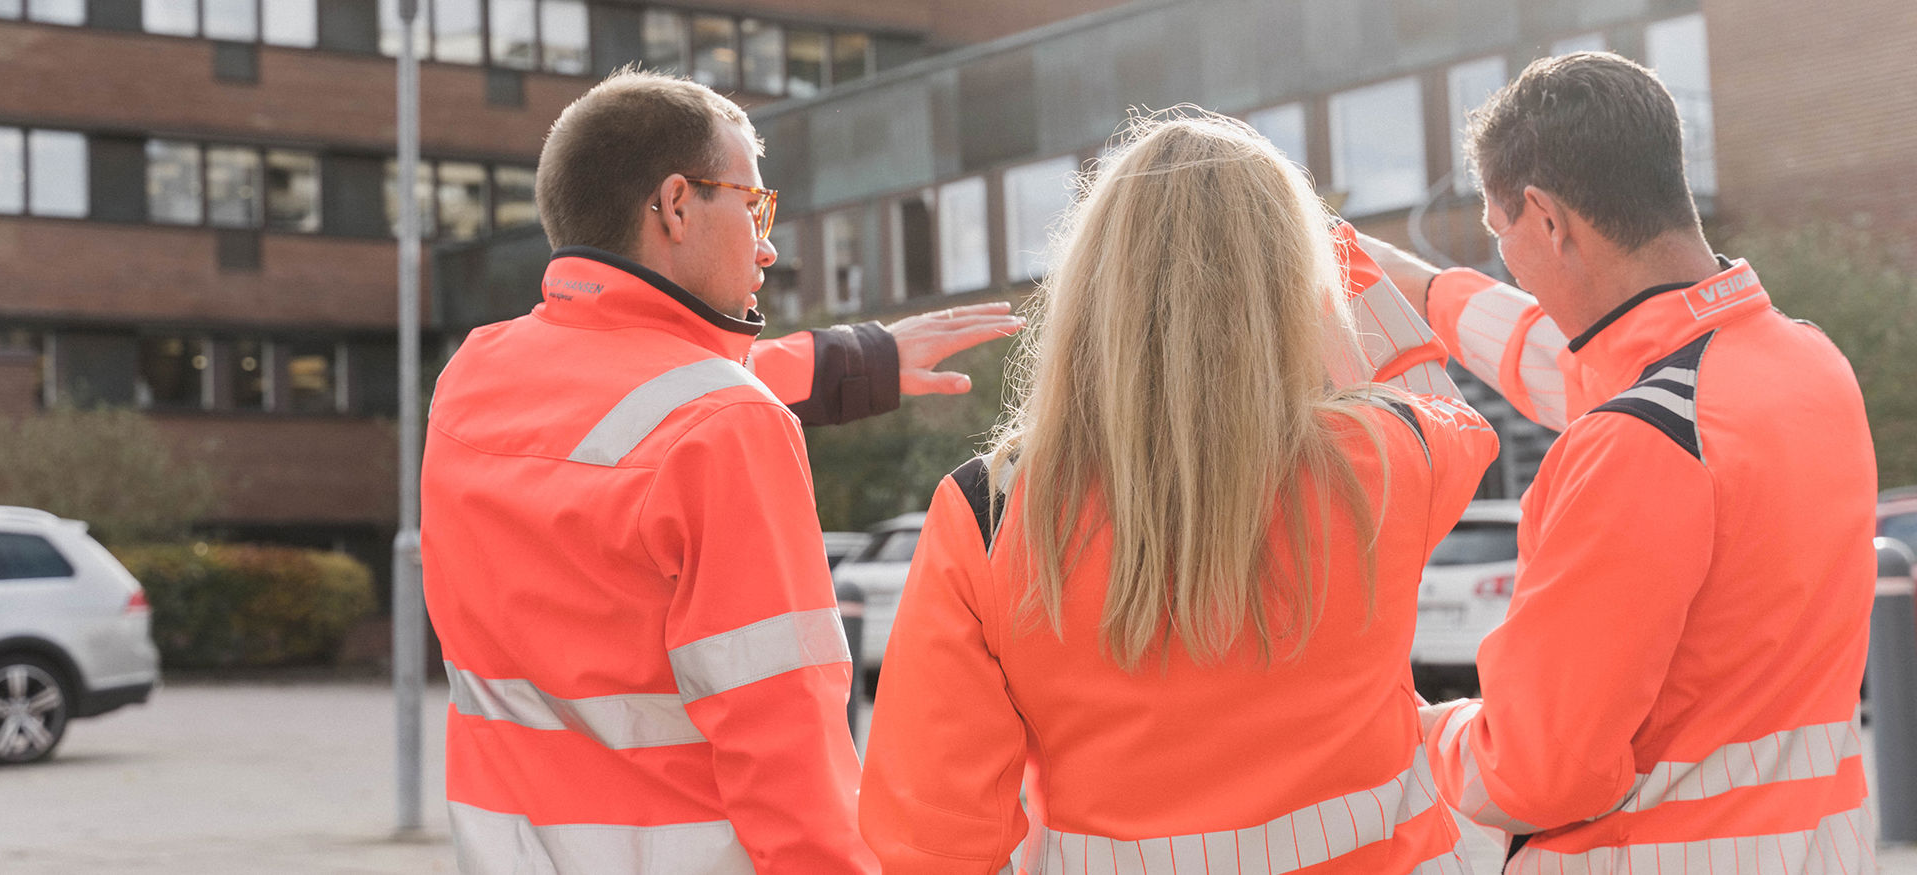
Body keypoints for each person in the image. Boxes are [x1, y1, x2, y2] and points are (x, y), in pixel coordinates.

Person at [857, 109, 1499, 875]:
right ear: (1294, 286)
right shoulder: (1385, 459)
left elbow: (932, 840)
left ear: (1091, 290)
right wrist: (1345, 264)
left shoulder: (989, 511)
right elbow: (1449, 409)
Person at [421, 69, 1018, 874]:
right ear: (674, 205)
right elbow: (788, 757)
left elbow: (627, 399)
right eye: (753, 204)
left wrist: (851, 360)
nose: (769, 242)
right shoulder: (729, 429)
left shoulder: (474, 378)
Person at [1357, 52, 1879, 872]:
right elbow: (1575, 363)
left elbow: (1533, 768)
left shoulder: (1638, 442)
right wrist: (1413, 284)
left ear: (1548, 219)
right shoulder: (1806, 365)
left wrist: (1407, 728)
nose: (1510, 265)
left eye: (1504, 238)